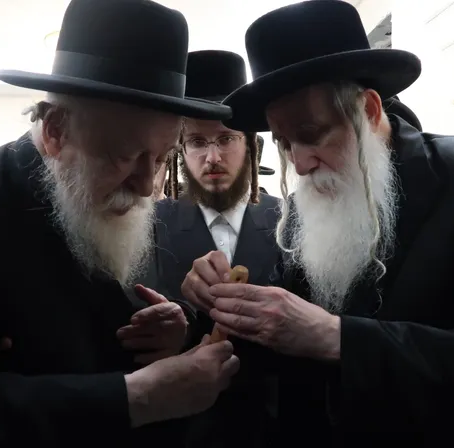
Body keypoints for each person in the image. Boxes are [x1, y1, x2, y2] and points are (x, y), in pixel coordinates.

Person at [181, 1, 454, 447]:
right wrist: (218, 306)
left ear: (368, 110)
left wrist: (337, 338)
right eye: (285, 143)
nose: (301, 163)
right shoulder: (301, 212)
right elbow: (283, 350)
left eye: (311, 135)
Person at [0, 1, 239, 447]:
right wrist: (138, 397)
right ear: (55, 130)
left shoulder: (124, 198)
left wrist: (173, 327)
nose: (147, 185)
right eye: (125, 156)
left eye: (162, 157)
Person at [152, 50, 281, 448]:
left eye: (226, 139)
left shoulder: (292, 221)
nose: (212, 158)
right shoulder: (148, 227)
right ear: (180, 150)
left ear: (252, 145)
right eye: (197, 142)